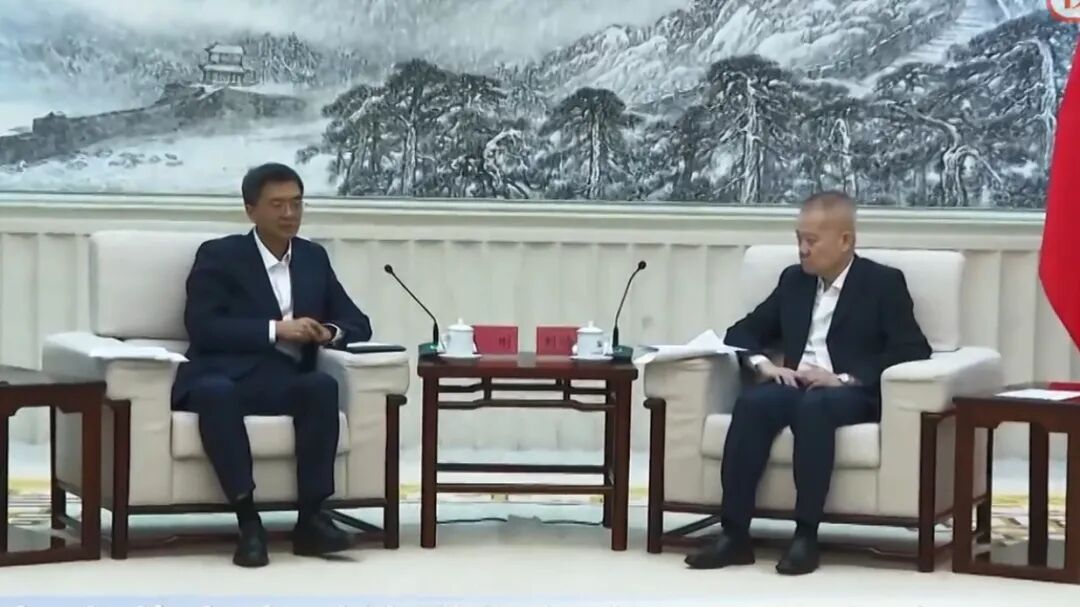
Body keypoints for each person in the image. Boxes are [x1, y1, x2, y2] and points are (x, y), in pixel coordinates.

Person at [684, 191, 931, 575]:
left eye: (811, 241)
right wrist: (765, 366)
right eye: (799, 238)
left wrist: (842, 378)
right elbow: (742, 331)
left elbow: (912, 348)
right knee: (752, 404)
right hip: (795, 384)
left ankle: (805, 536)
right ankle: (734, 535)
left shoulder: (882, 283)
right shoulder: (794, 281)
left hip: (850, 393)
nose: (802, 249)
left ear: (845, 240)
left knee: (815, 408)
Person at [171, 162, 373, 567]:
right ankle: (249, 523)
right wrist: (277, 330)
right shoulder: (220, 255)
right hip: (221, 374)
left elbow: (357, 322)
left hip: (279, 377)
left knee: (320, 388)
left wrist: (328, 332)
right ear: (251, 210)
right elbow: (203, 326)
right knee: (217, 394)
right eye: (277, 205)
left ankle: (311, 520)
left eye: (296, 203)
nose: (289, 214)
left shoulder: (313, 258)